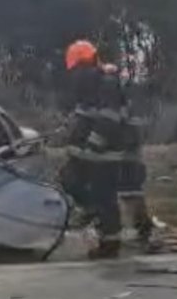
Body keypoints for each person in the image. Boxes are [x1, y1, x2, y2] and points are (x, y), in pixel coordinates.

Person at [60, 39, 153, 259]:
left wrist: (92, 144)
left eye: (76, 69)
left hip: (110, 153)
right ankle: (99, 217)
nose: (74, 76)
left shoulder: (106, 84)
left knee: (107, 194)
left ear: (84, 65)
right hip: (98, 152)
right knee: (70, 179)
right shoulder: (91, 85)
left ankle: (111, 243)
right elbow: (85, 115)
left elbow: (109, 120)